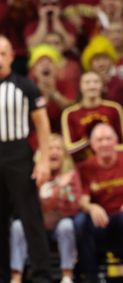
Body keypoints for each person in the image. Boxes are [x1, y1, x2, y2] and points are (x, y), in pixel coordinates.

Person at [0, 35, 52, 283]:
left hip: (18, 154)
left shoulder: (25, 86)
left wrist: (43, 160)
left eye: (3, 53)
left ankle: (41, 275)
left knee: (30, 218)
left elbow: (42, 125)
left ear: (11, 57)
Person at [74, 123, 123, 283]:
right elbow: (83, 201)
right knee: (80, 221)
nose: (105, 143)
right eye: (99, 140)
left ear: (116, 141)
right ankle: (90, 276)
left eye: (108, 139)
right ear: (92, 145)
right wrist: (92, 207)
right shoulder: (85, 167)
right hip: (100, 220)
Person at [10, 134, 81, 283]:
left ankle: (66, 276)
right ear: (41, 153)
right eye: (50, 149)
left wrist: (49, 200)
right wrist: (58, 192)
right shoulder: (32, 173)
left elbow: (73, 207)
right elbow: (25, 206)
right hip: (35, 225)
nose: (54, 152)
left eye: (58, 149)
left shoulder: (71, 175)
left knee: (67, 226)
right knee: (17, 226)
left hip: (58, 224)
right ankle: (16, 276)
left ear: (64, 154)